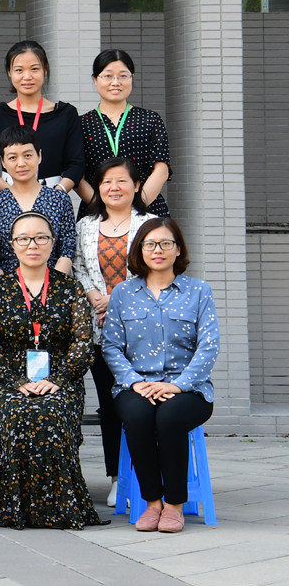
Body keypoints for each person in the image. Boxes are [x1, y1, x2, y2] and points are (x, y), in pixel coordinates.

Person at [0, 212, 105, 530]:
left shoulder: (70, 288)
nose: (32, 245)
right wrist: (17, 381)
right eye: (23, 238)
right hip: (7, 380)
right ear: (12, 245)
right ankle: (12, 508)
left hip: (61, 379)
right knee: (16, 412)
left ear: (52, 243)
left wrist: (56, 379)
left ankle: (60, 508)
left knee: (52, 410)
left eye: (40, 238)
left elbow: (83, 344)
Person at [102, 219, 219, 533]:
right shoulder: (123, 293)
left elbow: (209, 345)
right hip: (136, 386)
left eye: (166, 243)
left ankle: (174, 506)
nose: (158, 250)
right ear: (140, 250)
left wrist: (178, 386)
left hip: (189, 389)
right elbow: (111, 346)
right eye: (150, 244)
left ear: (178, 249)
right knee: (139, 417)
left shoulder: (199, 291)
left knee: (169, 417)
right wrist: (136, 382)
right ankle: (152, 503)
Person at [76, 157, 156, 502]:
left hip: (141, 329)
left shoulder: (151, 225)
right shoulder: (86, 225)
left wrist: (117, 300)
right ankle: (116, 478)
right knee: (110, 405)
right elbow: (78, 267)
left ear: (136, 186)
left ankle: (145, 474)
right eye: (107, 181)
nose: (114, 188)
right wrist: (95, 296)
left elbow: (155, 269)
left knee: (140, 401)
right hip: (99, 328)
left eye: (122, 181)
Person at [0, 41, 86, 195]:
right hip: (10, 198)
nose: (27, 76)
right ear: (9, 72)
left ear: (45, 70)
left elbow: (76, 164)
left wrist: (56, 194)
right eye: (19, 70)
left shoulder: (66, 114)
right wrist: (12, 194)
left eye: (34, 69)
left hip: (53, 196)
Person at [79, 49, 171, 216]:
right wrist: (102, 208)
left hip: (146, 209)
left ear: (132, 78)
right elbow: (77, 174)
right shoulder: (81, 124)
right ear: (95, 79)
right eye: (108, 76)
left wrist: (136, 208)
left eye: (123, 76)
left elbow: (161, 169)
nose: (116, 82)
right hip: (97, 212)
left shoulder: (150, 119)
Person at [0, 125, 79, 275]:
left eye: (28, 155)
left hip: (53, 280)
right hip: (6, 282)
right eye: (12, 157)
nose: (21, 163)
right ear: (2, 162)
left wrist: (53, 284)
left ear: (39, 155)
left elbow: (67, 248)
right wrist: (4, 285)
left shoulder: (59, 198)